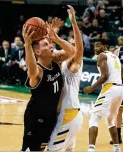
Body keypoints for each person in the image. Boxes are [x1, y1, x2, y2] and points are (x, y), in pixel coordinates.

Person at [21, 17, 75, 151]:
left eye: (49, 43)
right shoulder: (38, 71)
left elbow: (73, 52)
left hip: (50, 118)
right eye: (46, 45)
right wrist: (27, 45)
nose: (50, 46)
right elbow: (32, 71)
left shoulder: (56, 62)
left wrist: (55, 38)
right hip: (35, 119)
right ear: (37, 52)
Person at [83, 39, 123, 152]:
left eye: (98, 46)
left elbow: (104, 76)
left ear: (105, 46)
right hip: (120, 90)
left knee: (94, 119)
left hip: (110, 88)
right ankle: (116, 148)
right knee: (110, 120)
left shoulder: (102, 56)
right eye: (94, 46)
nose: (95, 48)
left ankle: (91, 149)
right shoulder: (115, 57)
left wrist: (91, 88)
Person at [47, 6, 84, 152]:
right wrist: (52, 35)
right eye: (70, 43)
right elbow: (48, 51)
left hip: (69, 113)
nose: (71, 46)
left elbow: (77, 50)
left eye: (74, 44)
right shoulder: (61, 61)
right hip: (68, 113)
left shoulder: (74, 64)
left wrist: (74, 22)